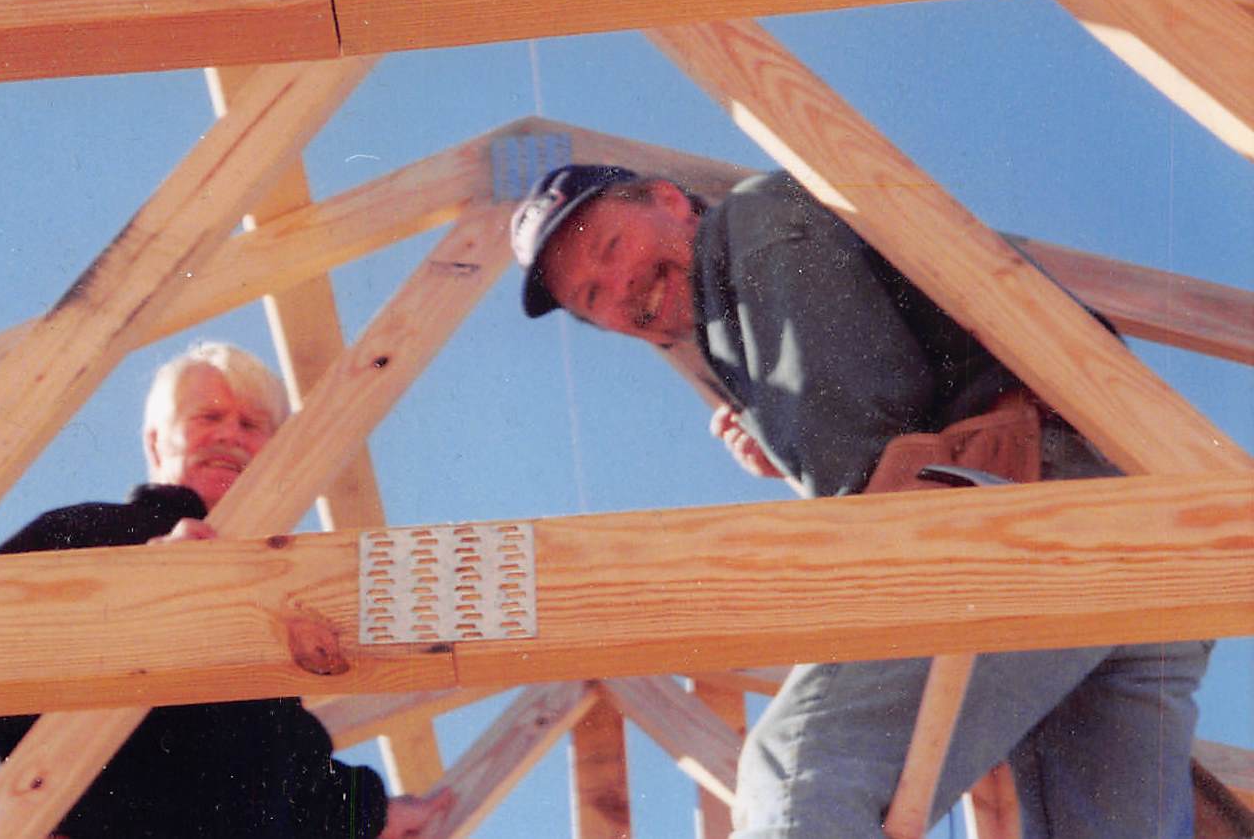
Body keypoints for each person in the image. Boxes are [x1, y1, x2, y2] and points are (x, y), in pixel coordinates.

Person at [509, 164, 1210, 839]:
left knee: (801, 769)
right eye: (593, 297)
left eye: (610, 246)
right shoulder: (756, 276)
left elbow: (863, 463)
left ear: (670, 199)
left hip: (1037, 506)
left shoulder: (754, 221)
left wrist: (795, 431)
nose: (620, 284)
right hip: (1137, 524)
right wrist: (771, 423)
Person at [0, 341, 448, 838]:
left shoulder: (272, 600)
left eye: (250, 424)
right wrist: (138, 591)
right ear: (156, 443)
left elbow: (290, 778)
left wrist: (371, 814)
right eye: (208, 417)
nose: (229, 437)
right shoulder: (84, 533)